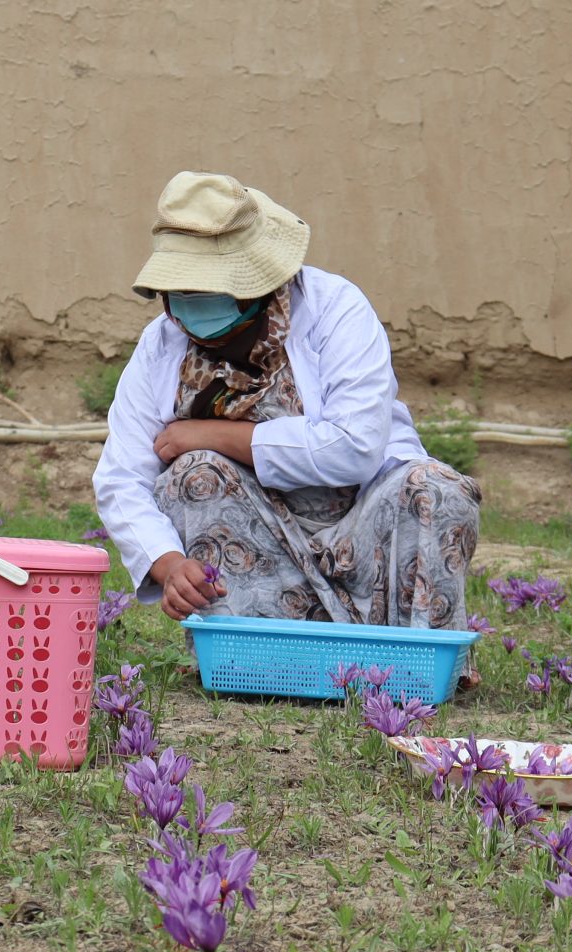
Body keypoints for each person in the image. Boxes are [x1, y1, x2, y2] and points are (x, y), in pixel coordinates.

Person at [93, 171, 480, 628]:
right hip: (256, 555)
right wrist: (170, 564)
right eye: (180, 292)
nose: (191, 304)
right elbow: (122, 478)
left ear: (258, 282)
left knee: (437, 489)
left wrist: (213, 433)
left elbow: (354, 448)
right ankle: (255, 657)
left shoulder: (334, 309)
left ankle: (407, 666)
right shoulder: (160, 347)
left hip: (365, 527)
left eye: (208, 289)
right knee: (194, 474)